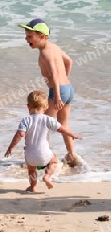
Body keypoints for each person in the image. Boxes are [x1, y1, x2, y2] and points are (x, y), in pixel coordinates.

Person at [18, 18, 79, 167]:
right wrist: (66, 80)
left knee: (43, 125)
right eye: (26, 36)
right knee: (63, 124)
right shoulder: (54, 47)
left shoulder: (45, 53)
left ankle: (43, 160)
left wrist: (57, 95)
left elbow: (54, 74)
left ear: (42, 36)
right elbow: (69, 61)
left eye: (30, 36)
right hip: (68, 89)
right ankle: (72, 156)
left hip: (59, 92)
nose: (27, 39)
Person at [5, 91, 82, 192]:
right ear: (46, 107)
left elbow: (20, 134)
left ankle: (33, 186)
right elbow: (61, 129)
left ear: (28, 106)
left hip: (30, 155)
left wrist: (11, 148)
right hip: (44, 154)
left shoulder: (26, 120)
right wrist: (73, 135)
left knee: (32, 170)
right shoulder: (47, 119)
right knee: (54, 161)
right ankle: (47, 176)